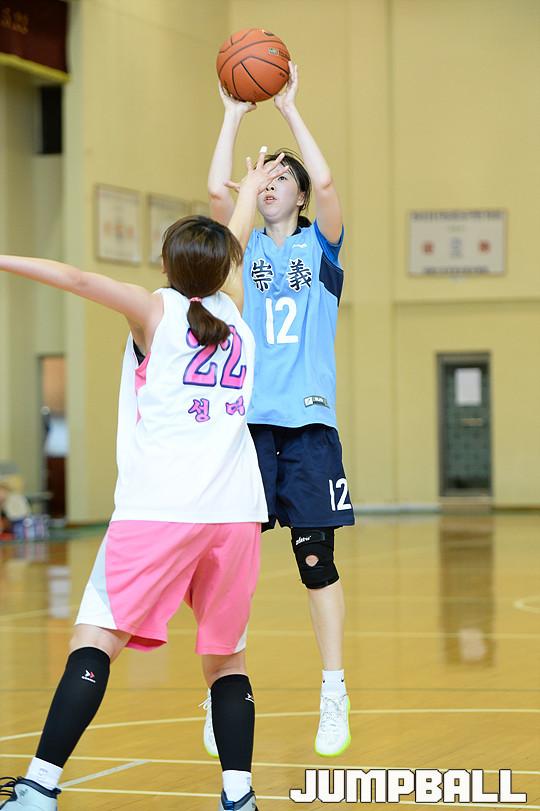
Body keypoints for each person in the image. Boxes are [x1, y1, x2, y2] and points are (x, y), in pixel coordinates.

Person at [0, 148, 284, 811]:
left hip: (159, 508)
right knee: (227, 659)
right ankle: (239, 795)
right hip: (236, 514)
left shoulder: (155, 310)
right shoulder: (238, 313)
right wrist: (245, 177)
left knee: (96, 639)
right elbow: (232, 245)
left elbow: (76, 277)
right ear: (222, 268)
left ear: (164, 265)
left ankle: (39, 785)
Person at [206, 63, 355, 758]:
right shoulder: (242, 257)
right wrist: (234, 114)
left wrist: (290, 108)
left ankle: (334, 692)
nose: (271, 183)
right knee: (230, 565)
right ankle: (222, 690)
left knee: (315, 560)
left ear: (297, 196)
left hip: (310, 428)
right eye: (263, 177)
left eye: (281, 178)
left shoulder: (319, 250)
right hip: (248, 428)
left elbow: (327, 183)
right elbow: (217, 193)